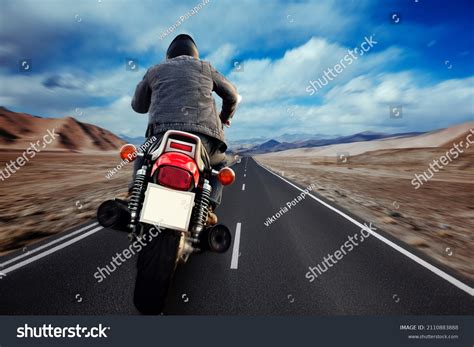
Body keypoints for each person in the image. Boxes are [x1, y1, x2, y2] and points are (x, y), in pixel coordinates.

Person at [130, 34, 239, 221]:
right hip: (204, 139)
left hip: (161, 136)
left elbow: (138, 106)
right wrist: (224, 117)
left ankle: (135, 194)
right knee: (220, 165)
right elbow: (232, 96)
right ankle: (208, 208)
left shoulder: (154, 70)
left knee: (143, 155)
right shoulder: (205, 67)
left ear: (169, 55)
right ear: (194, 54)